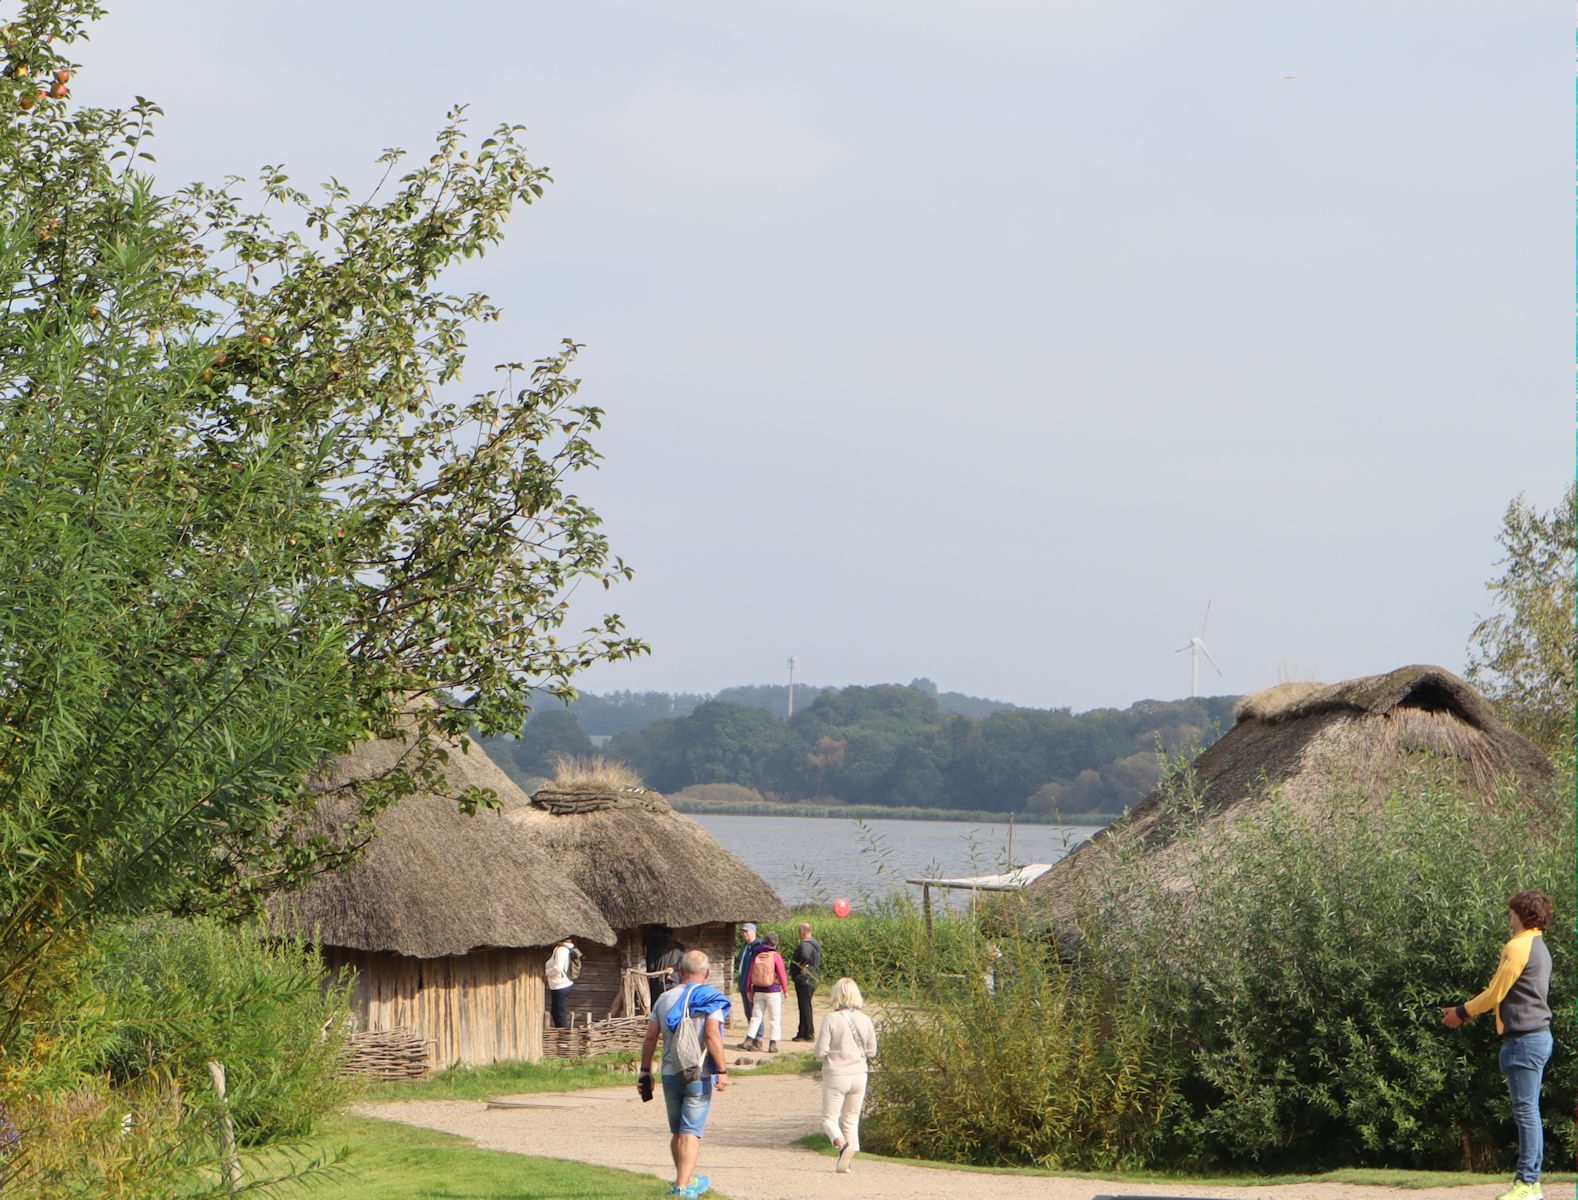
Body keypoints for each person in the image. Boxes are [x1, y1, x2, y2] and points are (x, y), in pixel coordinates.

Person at [1440, 889, 1553, 1200]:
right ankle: (1532, 1183)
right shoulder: (1539, 946)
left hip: (1524, 1039)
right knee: (1529, 1111)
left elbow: (1495, 992)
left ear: (1522, 914)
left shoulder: (1518, 947)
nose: (1509, 917)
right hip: (1536, 1037)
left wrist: (1461, 1013)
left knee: (1526, 1112)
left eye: (1512, 912)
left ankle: (1528, 1183)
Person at [639, 950, 731, 1199]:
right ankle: (682, 1186)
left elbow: (650, 1036)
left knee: (678, 1132)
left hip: (670, 1073)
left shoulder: (665, 999)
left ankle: (686, 1177)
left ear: (680, 972)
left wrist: (645, 1070)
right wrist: (721, 1071)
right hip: (698, 1075)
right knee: (690, 1132)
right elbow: (712, 1036)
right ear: (708, 973)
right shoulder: (711, 999)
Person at [814, 977, 878, 1174]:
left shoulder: (831, 1019)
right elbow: (872, 1051)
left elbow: (820, 1051)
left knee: (829, 1119)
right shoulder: (866, 1019)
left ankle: (842, 1145)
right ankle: (848, 1162)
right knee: (851, 1119)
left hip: (836, 1074)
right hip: (859, 1073)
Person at [742, 931, 787, 1052]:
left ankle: (748, 1040)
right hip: (772, 990)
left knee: (756, 1017)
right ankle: (773, 1045)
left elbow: (750, 973)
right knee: (774, 1018)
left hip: (758, 990)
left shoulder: (757, 954)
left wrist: (748, 989)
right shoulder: (775, 956)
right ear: (775, 943)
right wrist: (785, 989)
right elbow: (782, 974)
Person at [790, 922, 822, 1041]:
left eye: (799, 931)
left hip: (804, 979)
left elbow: (805, 956)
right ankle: (802, 1032)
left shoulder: (806, 945)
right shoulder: (814, 944)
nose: (798, 934)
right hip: (811, 978)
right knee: (805, 1006)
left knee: (805, 1006)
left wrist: (802, 967)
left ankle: (808, 1033)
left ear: (803, 931)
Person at [646, 928, 687, 1007]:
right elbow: (682, 962)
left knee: (658, 1005)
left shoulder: (653, 947)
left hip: (658, 981)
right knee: (674, 1004)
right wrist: (673, 968)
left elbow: (651, 966)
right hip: (674, 980)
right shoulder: (679, 946)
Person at [545, 937, 576, 1029]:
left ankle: (563, 1040)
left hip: (560, 985)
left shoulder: (561, 950)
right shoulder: (568, 948)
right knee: (556, 1011)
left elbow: (557, 968)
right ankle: (562, 1037)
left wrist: (545, 972)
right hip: (563, 984)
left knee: (559, 1012)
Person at [735, 923, 762, 1027]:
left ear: (753, 932)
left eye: (746, 931)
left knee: (755, 1011)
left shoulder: (758, 947)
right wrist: (740, 983)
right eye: (743, 932)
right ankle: (751, 1036)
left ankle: (757, 1037)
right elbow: (742, 966)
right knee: (747, 1011)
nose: (744, 934)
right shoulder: (745, 947)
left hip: (752, 985)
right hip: (743, 983)